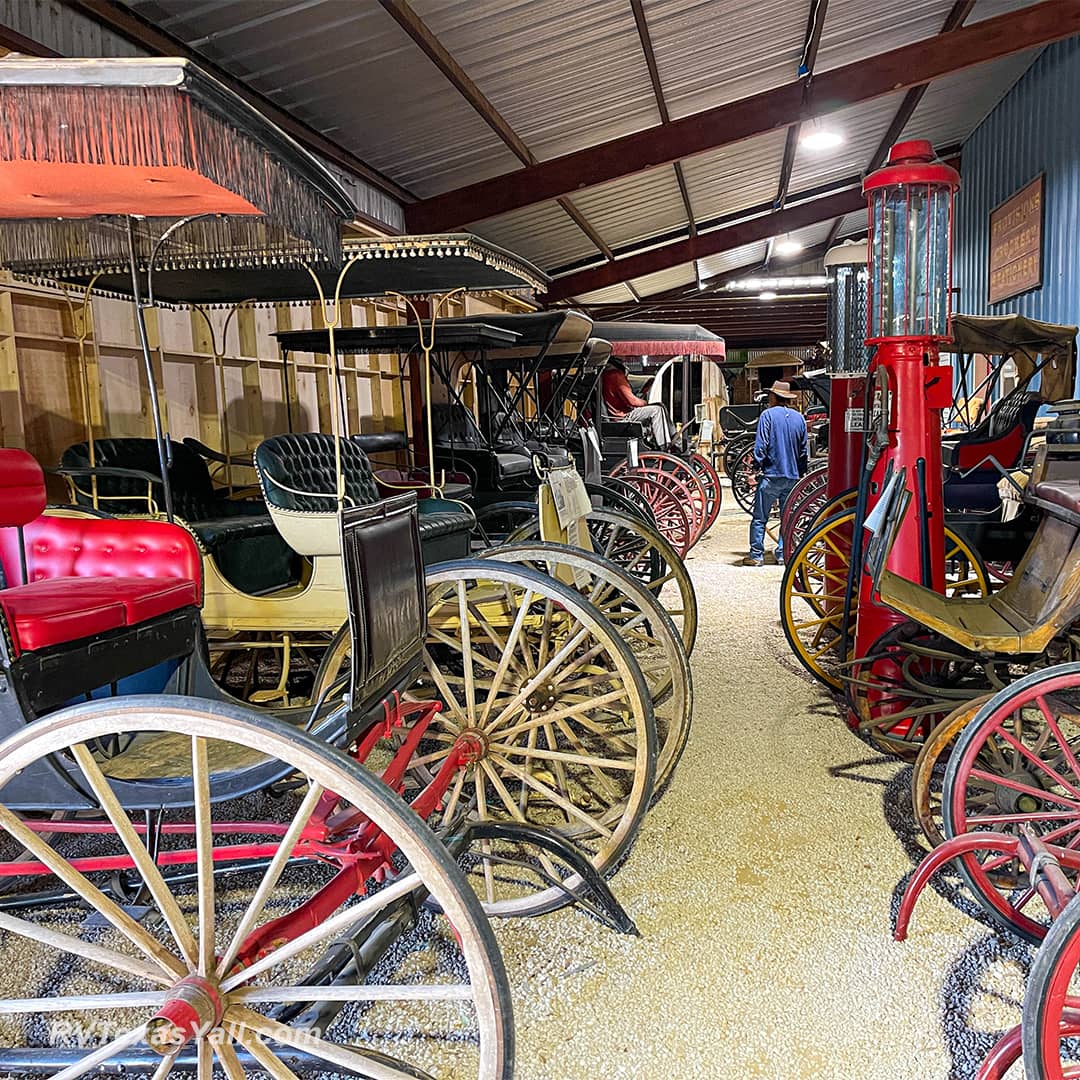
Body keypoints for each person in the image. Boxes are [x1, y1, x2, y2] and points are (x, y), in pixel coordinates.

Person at [741, 380, 808, 567]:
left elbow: (761, 445)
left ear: (773, 397)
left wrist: (755, 467)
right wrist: (801, 471)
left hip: (771, 475)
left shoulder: (767, 415)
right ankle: (782, 554)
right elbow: (804, 451)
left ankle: (756, 555)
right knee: (787, 517)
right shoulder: (799, 418)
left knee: (760, 517)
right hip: (792, 476)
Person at [601, 358, 676, 449]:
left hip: (618, 416)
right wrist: (646, 403)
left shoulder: (605, 376)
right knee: (657, 410)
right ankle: (664, 445)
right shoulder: (615, 376)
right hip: (623, 417)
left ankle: (673, 437)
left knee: (660, 406)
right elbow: (632, 401)